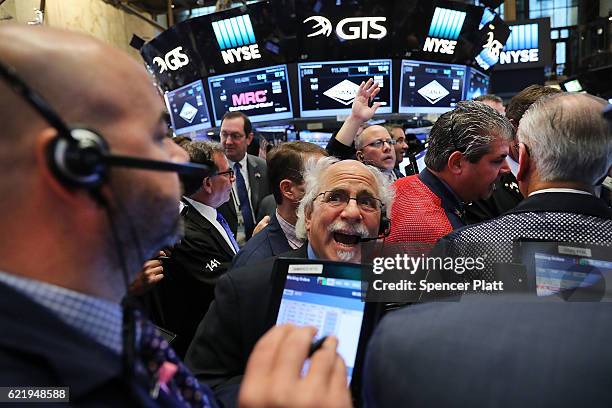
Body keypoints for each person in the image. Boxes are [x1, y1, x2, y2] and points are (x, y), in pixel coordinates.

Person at [0, 24, 349, 407]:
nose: (182, 157)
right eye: (157, 134)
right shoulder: (27, 389)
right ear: (76, 164)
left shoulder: (104, 321)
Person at [363, 93, 612, 408]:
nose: (505, 170)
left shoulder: (457, 239)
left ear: (524, 160)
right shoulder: (437, 230)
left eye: (505, 159)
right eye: (497, 161)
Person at [185, 158, 392, 406]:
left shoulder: (400, 291)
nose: (352, 212)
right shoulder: (245, 287)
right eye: (335, 197)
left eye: (367, 202)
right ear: (307, 215)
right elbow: (202, 382)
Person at [387, 101, 513, 245]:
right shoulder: (442, 236)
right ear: (457, 163)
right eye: (497, 160)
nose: (507, 168)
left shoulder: (400, 185)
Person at [155, 141, 238, 358]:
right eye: (228, 173)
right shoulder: (185, 233)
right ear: (208, 184)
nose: (233, 178)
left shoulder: (215, 211)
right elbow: (227, 288)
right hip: (205, 347)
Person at [465, 85, 562, 224]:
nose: (552, 140)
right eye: (542, 130)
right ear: (513, 128)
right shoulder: (482, 181)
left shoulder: (576, 172)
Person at [232, 141, 327, 268]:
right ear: (288, 189)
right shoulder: (253, 262)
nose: (332, 185)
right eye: (319, 179)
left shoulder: (333, 238)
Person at [217, 111, 269, 243]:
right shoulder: (211, 173)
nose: (228, 142)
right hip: (226, 247)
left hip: (261, 244)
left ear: (249, 138)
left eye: (235, 136)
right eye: (224, 134)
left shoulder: (263, 167)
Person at [325, 78, 382, 160]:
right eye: (378, 143)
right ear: (360, 155)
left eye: (390, 142)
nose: (387, 147)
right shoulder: (356, 169)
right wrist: (356, 118)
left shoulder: (398, 173)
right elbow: (334, 158)